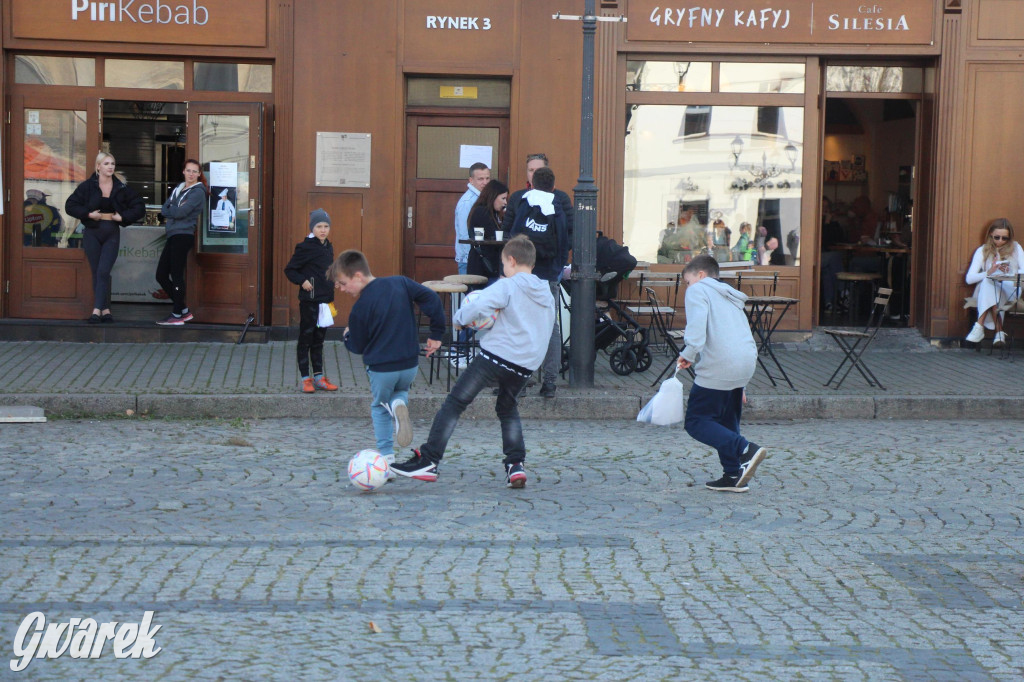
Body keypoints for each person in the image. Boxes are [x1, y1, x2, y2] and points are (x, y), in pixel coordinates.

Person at [390, 236, 555, 488]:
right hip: (526, 364)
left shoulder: (507, 286)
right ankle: (515, 464)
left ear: (511, 260)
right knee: (507, 408)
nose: (503, 269)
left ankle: (429, 460)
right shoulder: (545, 291)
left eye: (504, 263)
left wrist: (459, 319)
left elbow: (479, 305)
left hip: (496, 356)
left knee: (455, 403)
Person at [330, 250, 446, 458]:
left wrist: (347, 335)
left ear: (358, 275)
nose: (343, 289)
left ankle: (387, 459)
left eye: (344, 283)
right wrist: (436, 334)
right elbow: (431, 299)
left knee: (379, 408)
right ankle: (399, 404)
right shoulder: (400, 283)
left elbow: (357, 346)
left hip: (381, 368)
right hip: (409, 364)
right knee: (399, 393)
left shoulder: (360, 307)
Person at [675, 255, 766, 493]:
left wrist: (688, 354)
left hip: (720, 364)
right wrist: (741, 381)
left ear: (701, 275)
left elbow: (696, 330)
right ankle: (733, 474)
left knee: (697, 422)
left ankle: (745, 449)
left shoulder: (698, 290)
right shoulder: (729, 294)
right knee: (727, 421)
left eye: (687, 281)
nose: (688, 286)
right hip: (745, 361)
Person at [507, 166, 569, 399]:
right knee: (550, 327)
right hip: (548, 276)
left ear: (532, 183)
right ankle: (550, 382)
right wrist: (557, 269)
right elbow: (563, 241)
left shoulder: (525, 202)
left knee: (524, 325)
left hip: (525, 274)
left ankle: (522, 382)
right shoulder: (558, 206)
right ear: (553, 186)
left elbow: (514, 237)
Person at [65, 152, 145, 324]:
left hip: (111, 231)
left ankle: (96, 310)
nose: (110, 167)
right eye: (107, 163)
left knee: (103, 271)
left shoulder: (121, 187)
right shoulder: (87, 186)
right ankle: (106, 309)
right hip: (92, 232)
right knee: (97, 272)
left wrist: (122, 217)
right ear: (98, 166)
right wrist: (87, 214)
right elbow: (70, 205)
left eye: (113, 164)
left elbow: (139, 207)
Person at [284, 209, 340, 392]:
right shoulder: (305, 247)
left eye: (326, 226)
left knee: (319, 340)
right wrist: (303, 281)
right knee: (306, 338)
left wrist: (336, 280)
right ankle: (305, 378)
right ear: (312, 228)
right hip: (310, 301)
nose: (323, 230)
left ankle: (319, 377)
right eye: (319, 227)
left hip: (325, 301)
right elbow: (290, 269)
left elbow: (328, 270)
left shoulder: (328, 246)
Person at [155, 159, 207, 326]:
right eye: (188, 170)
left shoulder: (198, 191)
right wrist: (172, 210)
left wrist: (171, 210)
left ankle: (177, 314)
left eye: (194, 171)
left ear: (199, 174)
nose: (191, 174)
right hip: (172, 234)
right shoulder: (179, 188)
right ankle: (183, 309)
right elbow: (164, 209)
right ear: (183, 171)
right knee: (161, 274)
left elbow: (181, 212)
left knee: (176, 274)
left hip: (183, 235)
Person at [964, 218, 1024, 347]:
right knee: (989, 280)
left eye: (1005, 238)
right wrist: (989, 272)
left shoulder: (1016, 248)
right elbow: (969, 279)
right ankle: (999, 333)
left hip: (1010, 289)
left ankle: (979, 326)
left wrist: (1009, 274)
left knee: (990, 282)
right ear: (991, 234)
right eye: (997, 237)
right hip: (991, 288)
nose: (1000, 241)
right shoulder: (983, 250)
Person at [502, 152, 574, 247]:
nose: (535, 174)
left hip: (550, 255)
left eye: (539, 170)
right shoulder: (517, 197)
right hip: (522, 256)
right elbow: (507, 230)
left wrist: (558, 251)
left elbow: (571, 231)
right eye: (531, 170)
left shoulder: (561, 198)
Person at [466, 179, 509, 283]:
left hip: (486, 266)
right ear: (493, 196)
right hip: (483, 267)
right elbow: (494, 235)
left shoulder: (491, 213)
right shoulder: (482, 212)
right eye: (503, 198)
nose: (505, 202)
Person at [454, 163, 491, 275]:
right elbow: (464, 233)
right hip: (469, 260)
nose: (485, 182)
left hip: (479, 257)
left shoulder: (484, 197)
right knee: (470, 292)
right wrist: (470, 258)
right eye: (480, 179)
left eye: (487, 178)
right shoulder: (467, 202)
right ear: (471, 180)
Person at [820, 197, 846, 312]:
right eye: (823, 207)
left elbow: (841, 238)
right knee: (835, 256)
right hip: (816, 256)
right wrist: (826, 223)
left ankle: (829, 303)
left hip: (826, 257)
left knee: (827, 270)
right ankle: (843, 292)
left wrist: (833, 222)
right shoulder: (814, 221)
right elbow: (822, 240)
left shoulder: (831, 222)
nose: (825, 210)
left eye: (827, 207)